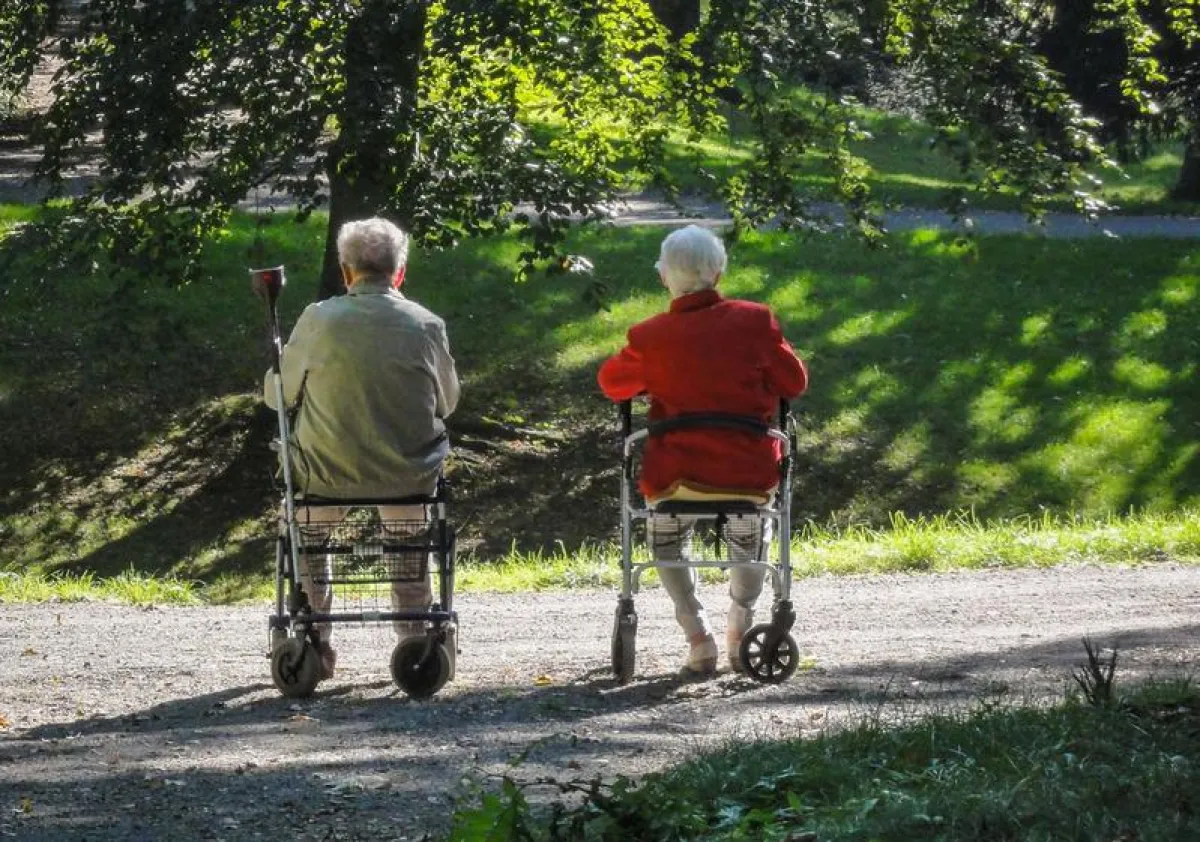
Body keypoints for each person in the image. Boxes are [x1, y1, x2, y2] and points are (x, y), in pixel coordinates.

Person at [598, 224, 808, 675]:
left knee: (666, 536)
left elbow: (612, 383)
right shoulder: (756, 321)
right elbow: (795, 382)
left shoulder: (651, 336)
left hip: (677, 474)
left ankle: (697, 636)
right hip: (746, 472)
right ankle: (740, 628)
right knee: (751, 533)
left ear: (663, 277)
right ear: (718, 273)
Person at [264, 216, 460, 680]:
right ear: (400, 273)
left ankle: (315, 636)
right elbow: (448, 403)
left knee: (305, 536)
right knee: (410, 536)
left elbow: (279, 397)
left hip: (325, 473)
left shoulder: (318, 320)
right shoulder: (426, 325)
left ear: (346, 272)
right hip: (406, 476)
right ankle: (415, 634)